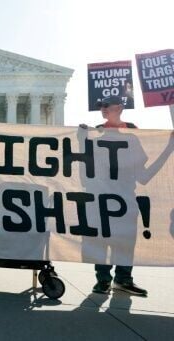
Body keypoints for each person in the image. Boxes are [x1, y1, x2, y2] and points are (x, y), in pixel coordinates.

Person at [86, 95, 147, 296]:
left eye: (106, 106)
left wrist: (168, 145)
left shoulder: (132, 134)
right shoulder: (96, 133)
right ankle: (102, 280)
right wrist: (81, 140)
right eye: (100, 106)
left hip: (125, 196)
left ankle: (123, 279)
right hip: (101, 196)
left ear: (119, 107)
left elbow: (143, 176)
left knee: (125, 240)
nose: (102, 109)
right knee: (101, 240)